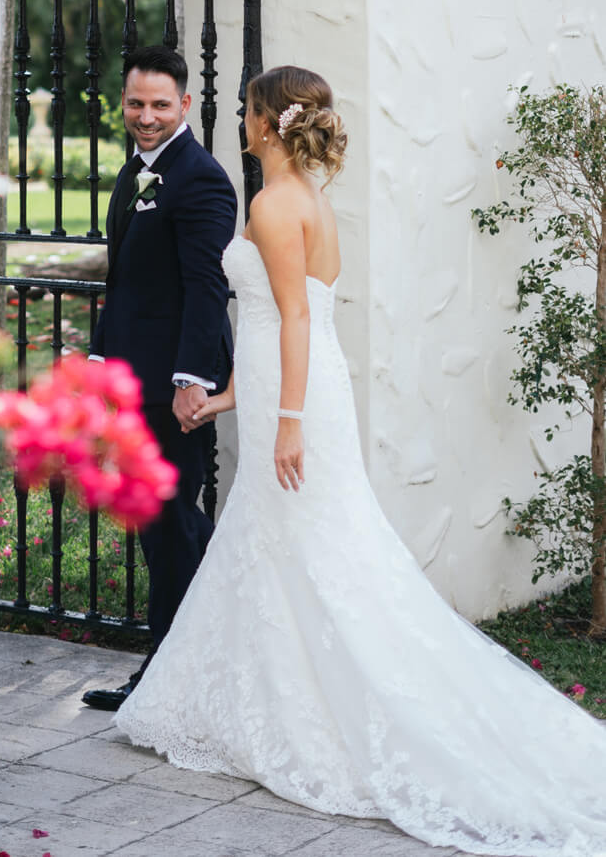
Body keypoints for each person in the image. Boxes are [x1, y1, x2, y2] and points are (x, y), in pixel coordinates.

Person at [115, 64, 606, 856]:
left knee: (322, 557)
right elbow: (272, 325)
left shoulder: (277, 205)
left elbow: (298, 319)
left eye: (248, 111)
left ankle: (340, 713)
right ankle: (268, 703)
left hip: (304, 404)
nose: (240, 120)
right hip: (296, 393)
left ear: (270, 123)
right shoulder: (304, 198)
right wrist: (230, 399)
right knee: (289, 553)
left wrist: (287, 424)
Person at [81, 44, 237, 712]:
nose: (145, 117)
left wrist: (190, 380)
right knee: (166, 529)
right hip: (130, 383)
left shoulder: (200, 178)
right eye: (136, 103)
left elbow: (207, 288)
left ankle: (168, 677)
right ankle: (205, 653)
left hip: (174, 395)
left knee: (172, 529)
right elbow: (123, 285)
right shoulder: (135, 171)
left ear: (186, 106)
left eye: (159, 105)